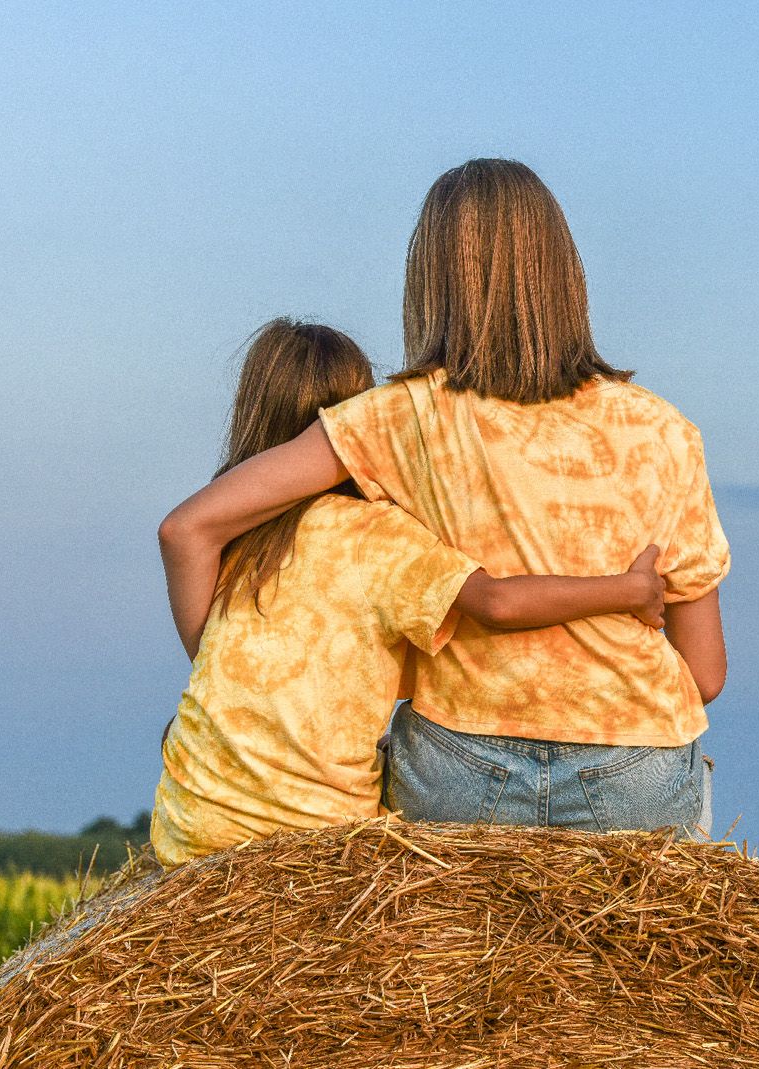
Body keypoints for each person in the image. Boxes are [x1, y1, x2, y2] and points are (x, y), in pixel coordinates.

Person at [159, 159, 728, 837]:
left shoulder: (399, 416)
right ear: (566, 273)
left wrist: (223, 660)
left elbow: (193, 524)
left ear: (430, 281)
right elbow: (707, 672)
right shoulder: (664, 432)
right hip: (637, 772)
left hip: (462, 768)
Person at [151, 319, 667, 865]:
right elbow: (497, 603)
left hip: (187, 833)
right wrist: (627, 590)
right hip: (313, 847)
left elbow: (210, 654)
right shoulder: (379, 538)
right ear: (359, 416)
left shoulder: (232, 545)